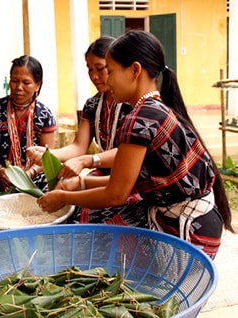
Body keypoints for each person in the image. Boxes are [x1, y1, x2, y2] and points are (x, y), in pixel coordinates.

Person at [37, 30, 234, 259]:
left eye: (109, 71)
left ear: (135, 70)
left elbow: (115, 195)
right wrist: (79, 183)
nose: (106, 80)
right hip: (199, 220)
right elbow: (127, 183)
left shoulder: (139, 120)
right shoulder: (156, 109)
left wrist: (63, 197)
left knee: (90, 244)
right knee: (95, 226)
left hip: (188, 231)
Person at [27, 36, 136, 223]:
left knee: (89, 210)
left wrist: (89, 161)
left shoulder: (133, 105)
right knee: (68, 200)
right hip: (105, 173)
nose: (94, 76)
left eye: (101, 69)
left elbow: (127, 155)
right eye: (89, 69)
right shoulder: (93, 105)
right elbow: (78, 147)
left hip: (129, 176)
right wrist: (48, 154)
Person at [0, 55, 57, 197]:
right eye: (14, 81)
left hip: (31, 178)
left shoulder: (44, 115)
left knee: (57, 179)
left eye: (26, 83)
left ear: (37, 85)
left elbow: (47, 158)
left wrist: (27, 174)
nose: (19, 87)